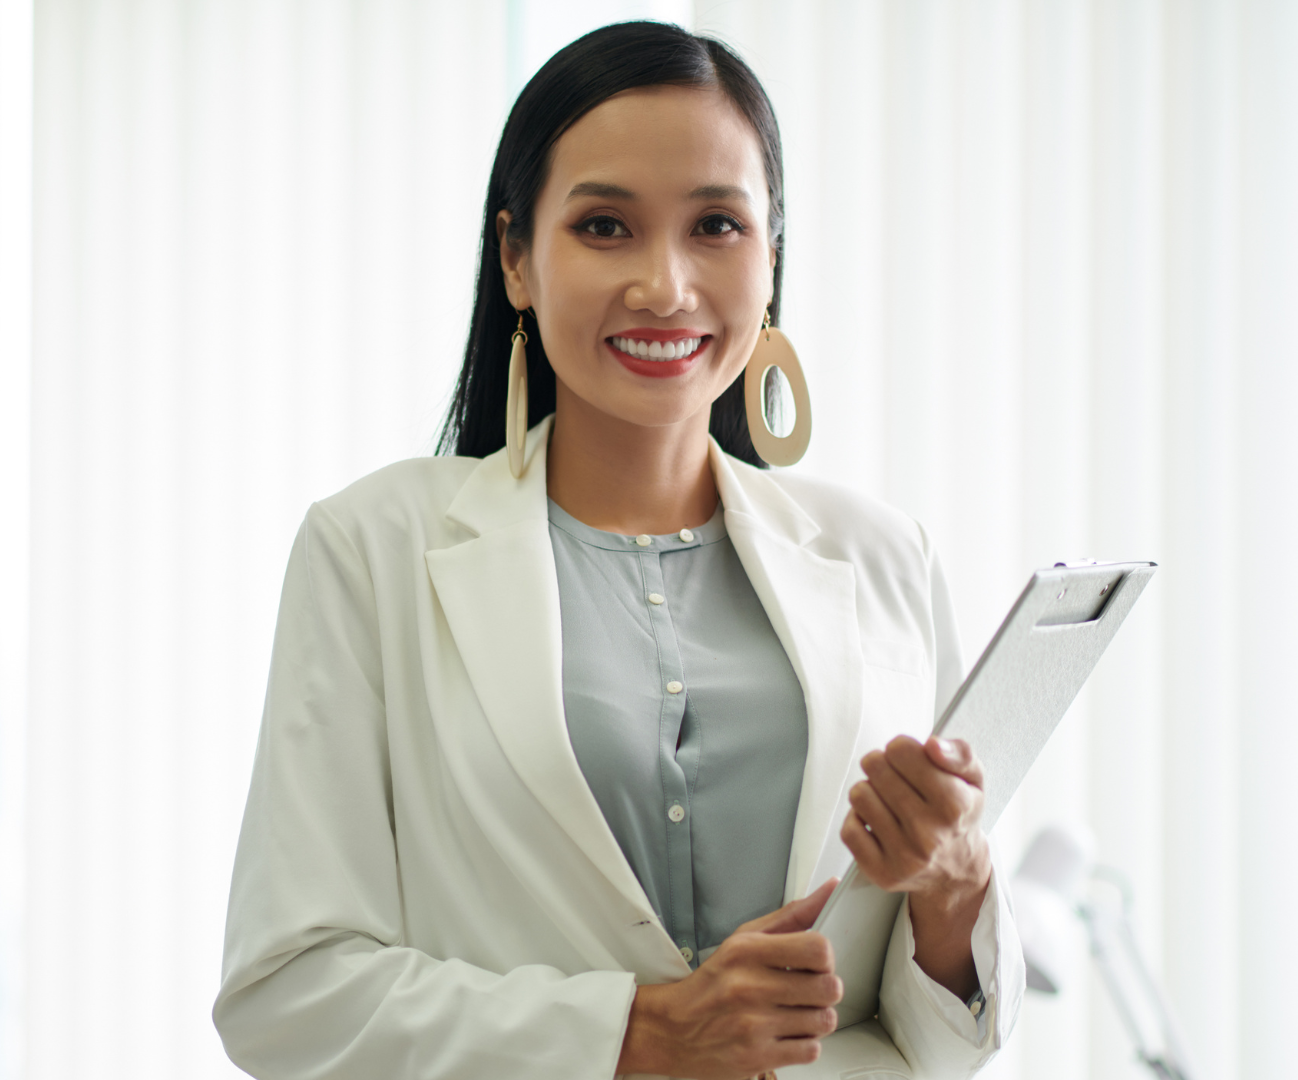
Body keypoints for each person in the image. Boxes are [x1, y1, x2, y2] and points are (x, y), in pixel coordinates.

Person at [214, 21, 1024, 1080]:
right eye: (604, 226)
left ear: (772, 256)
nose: (666, 287)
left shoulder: (885, 558)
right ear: (516, 258)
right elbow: (287, 997)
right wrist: (637, 1034)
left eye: (717, 227)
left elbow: (940, 1038)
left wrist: (957, 889)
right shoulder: (371, 551)